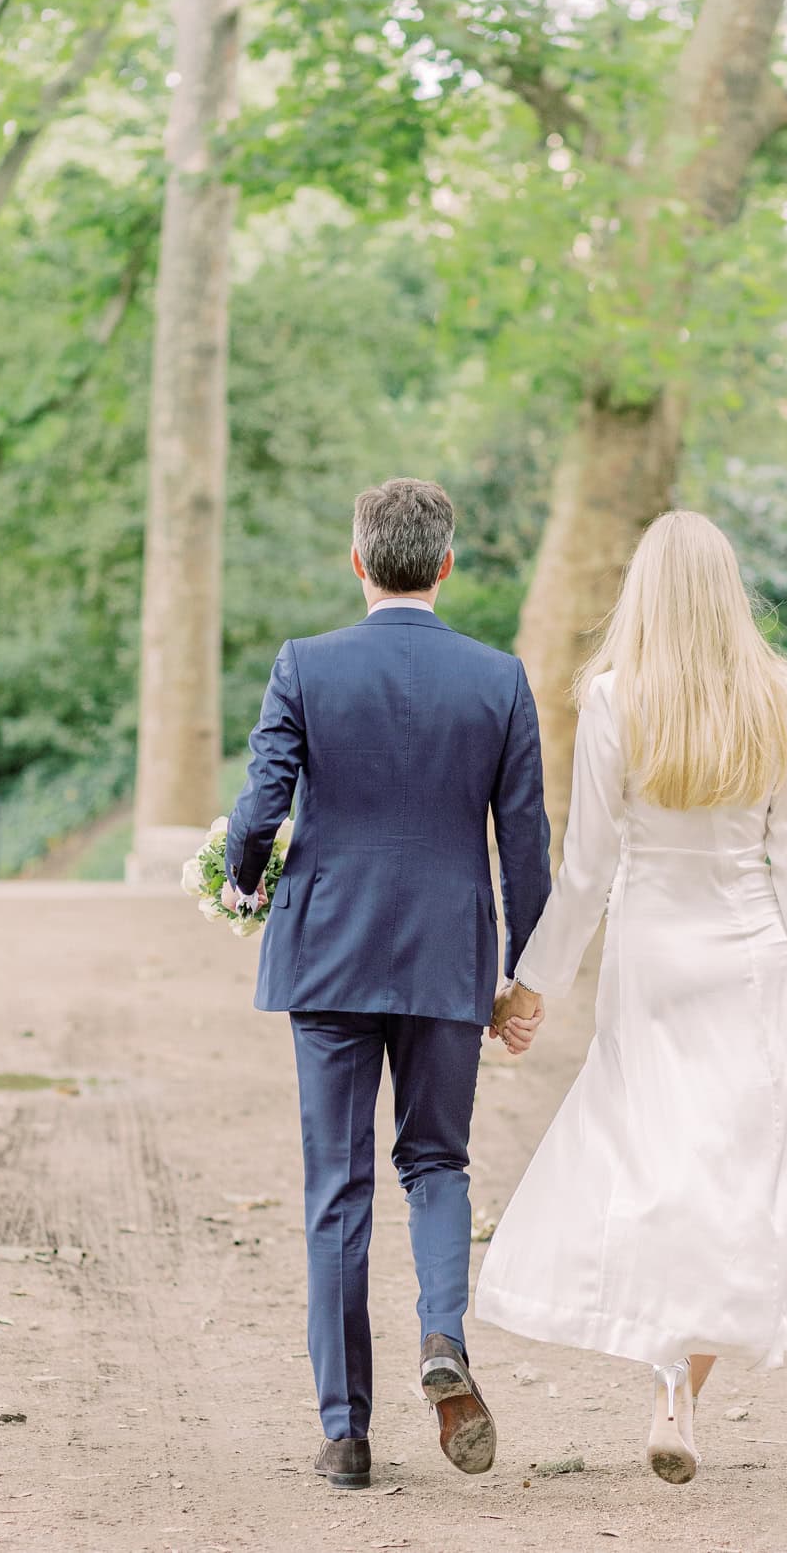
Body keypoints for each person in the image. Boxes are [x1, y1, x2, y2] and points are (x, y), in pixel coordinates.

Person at [477, 509, 787, 1485]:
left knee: (654, 1159)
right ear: (730, 595)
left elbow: (586, 869)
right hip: (752, 960)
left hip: (653, 961)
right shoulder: (783, 698)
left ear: (644, 591)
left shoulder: (614, 698)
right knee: (729, 1173)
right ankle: (677, 1388)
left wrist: (532, 984)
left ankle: (668, 1371)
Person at [222, 478, 550, 1490]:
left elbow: (262, 807)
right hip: (446, 957)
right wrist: (519, 974)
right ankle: (442, 1334)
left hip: (329, 954)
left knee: (338, 1188)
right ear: (447, 565)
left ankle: (345, 1435)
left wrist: (239, 881)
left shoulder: (306, 667)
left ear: (355, 561)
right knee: (437, 1163)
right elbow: (528, 846)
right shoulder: (499, 679)